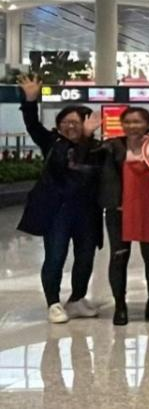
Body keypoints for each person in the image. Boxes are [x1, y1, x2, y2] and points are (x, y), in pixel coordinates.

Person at [17, 74, 104, 324]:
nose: (70, 126)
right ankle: (53, 303)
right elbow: (32, 124)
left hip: (87, 212)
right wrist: (30, 100)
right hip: (57, 212)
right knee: (55, 256)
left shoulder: (98, 148)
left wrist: (86, 138)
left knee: (85, 257)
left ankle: (77, 299)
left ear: (87, 123)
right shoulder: (52, 143)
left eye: (76, 122)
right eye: (65, 122)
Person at [100, 107, 149, 326]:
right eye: (127, 122)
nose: (132, 126)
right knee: (118, 257)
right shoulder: (112, 146)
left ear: (147, 123)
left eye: (137, 122)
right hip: (119, 212)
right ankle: (120, 305)